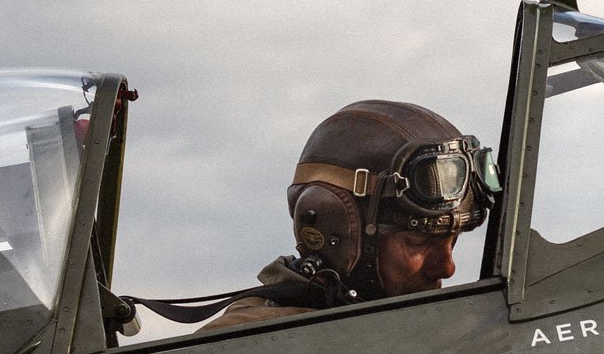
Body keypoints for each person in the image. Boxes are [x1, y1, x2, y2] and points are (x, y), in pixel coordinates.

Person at [197, 100, 499, 332]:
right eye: (419, 241)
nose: (447, 268)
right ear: (341, 236)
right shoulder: (248, 351)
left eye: (453, 240)